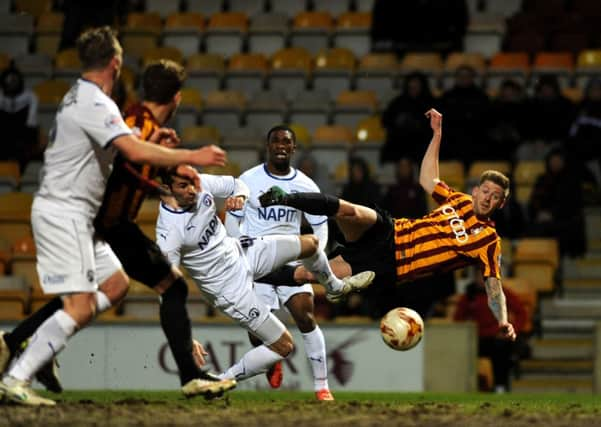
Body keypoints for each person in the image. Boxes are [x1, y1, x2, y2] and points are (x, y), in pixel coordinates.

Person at [0, 26, 229, 406]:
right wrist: (192, 157)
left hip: (80, 214)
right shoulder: (96, 104)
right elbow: (132, 154)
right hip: (69, 211)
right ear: (116, 63)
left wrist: (154, 154)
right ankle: (17, 372)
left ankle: (24, 344)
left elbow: (124, 156)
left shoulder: (79, 97)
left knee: (114, 285)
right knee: (83, 305)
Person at [258, 109, 517, 342]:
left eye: (495, 196)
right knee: (350, 211)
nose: (487, 198)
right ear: (476, 191)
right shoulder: (457, 199)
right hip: (392, 230)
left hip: (389, 264)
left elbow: (493, 287)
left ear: (501, 204)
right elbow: (428, 179)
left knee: (307, 275)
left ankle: (252, 272)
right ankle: (286, 197)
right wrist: (437, 134)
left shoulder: (489, 241)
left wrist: (502, 320)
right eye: (485, 191)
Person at [155, 169, 374, 387]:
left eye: (192, 183)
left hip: (242, 252)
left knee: (311, 244)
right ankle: (220, 380)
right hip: (227, 288)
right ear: (166, 189)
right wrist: (184, 338)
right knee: (284, 346)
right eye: (183, 187)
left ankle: (334, 287)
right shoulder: (169, 234)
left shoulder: (200, 182)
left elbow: (237, 184)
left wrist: (239, 197)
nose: (193, 190)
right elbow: (169, 291)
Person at [224, 125, 335, 401]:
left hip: (292, 260)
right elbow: (233, 220)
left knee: (306, 316)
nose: (281, 146)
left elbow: (320, 224)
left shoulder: (306, 185)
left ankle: (322, 387)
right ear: (268, 146)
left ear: (293, 148)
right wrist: (241, 253)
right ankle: (271, 361)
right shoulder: (247, 180)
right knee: (256, 333)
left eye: (287, 142)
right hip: (259, 263)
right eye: (276, 141)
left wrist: (314, 255)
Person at [454, 271, 527, 393]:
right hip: (476, 339)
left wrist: (511, 330)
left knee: (502, 350)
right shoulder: (468, 296)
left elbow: (521, 313)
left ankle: (500, 386)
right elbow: (458, 320)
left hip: (497, 338)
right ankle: (464, 386)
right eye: (479, 276)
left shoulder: (503, 293)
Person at [0, 63, 39, 168]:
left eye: (14, 81)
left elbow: (31, 126)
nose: (11, 84)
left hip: (23, 138)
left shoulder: (30, 97)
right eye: (9, 81)